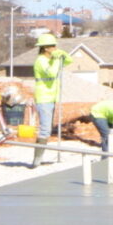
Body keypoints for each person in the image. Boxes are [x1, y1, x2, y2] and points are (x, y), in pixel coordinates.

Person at [31, 32, 68, 168]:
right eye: (53, 46)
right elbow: (52, 72)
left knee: (47, 129)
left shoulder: (51, 59)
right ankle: (36, 161)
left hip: (51, 98)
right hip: (44, 98)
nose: (55, 48)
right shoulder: (40, 61)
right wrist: (57, 60)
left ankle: (38, 159)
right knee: (45, 130)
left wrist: (63, 55)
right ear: (45, 48)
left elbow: (69, 61)